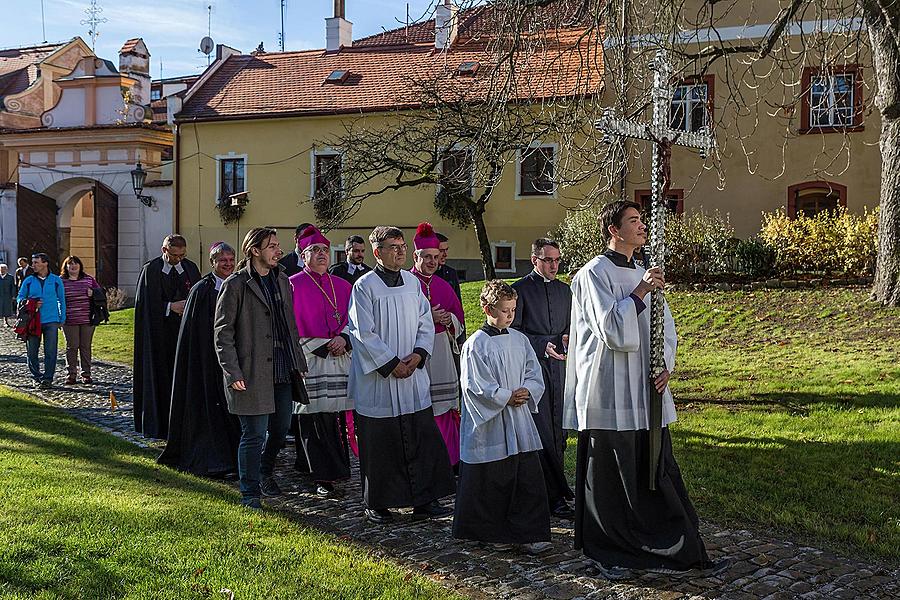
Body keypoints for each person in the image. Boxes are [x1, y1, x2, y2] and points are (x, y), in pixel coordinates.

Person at [564, 200, 726, 580]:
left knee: (654, 466)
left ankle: (664, 543)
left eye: (642, 220)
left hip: (645, 387)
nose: (642, 226)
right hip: (609, 389)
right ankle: (608, 548)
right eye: (634, 221)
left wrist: (664, 365)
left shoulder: (644, 272)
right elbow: (612, 330)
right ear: (614, 231)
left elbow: (664, 325)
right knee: (611, 472)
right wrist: (639, 291)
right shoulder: (592, 274)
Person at [348, 225, 455, 524]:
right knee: (381, 444)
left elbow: (425, 322)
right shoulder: (365, 286)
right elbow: (361, 332)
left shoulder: (412, 283)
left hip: (412, 375)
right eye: (393, 246)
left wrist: (419, 355)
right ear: (377, 251)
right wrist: (391, 363)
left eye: (402, 246)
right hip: (380, 380)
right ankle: (378, 503)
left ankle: (424, 499)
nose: (399, 251)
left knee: (421, 437)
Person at [453, 280, 552, 555]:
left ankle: (530, 532)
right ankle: (493, 533)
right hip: (491, 423)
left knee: (526, 477)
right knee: (493, 479)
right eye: (505, 310)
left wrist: (527, 391)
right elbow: (475, 385)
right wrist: (504, 396)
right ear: (486, 307)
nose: (510, 315)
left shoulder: (520, 339)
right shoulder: (476, 344)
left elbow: (534, 372)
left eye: (513, 309)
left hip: (519, 420)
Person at [215, 227, 308, 509]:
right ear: (255, 251)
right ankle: (249, 493)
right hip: (251, 371)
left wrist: (298, 361)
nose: (278, 251)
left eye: (278, 245)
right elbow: (222, 333)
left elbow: (289, 324)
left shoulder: (281, 279)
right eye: (272, 246)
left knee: (280, 429)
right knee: (254, 434)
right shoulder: (236, 284)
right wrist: (233, 372)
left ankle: (265, 471)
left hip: (281, 368)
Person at [158, 242, 242, 477]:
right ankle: (215, 461)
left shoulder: (238, 285)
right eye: (222, 260)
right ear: (213, 262)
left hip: (233, 360)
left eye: (230, 259)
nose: (227, 264)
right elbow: (195, 332)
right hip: (207, 362)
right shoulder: (202, 290)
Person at [510, 238, 575, 519]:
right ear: (534, 260)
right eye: (548, 260)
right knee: (541, 432)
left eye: (557, 260)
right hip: (533, 369)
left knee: (560, 432)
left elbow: (574, 326)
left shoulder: (565, 291)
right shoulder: (520, 290)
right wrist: (542, 344)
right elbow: (513, 332)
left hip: (561, 370)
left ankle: (558, 491)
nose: (554, 265)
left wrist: (569, 338)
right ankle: (548, 496)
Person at [289, 225, 354, 497]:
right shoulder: (292, 284)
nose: (321, 255)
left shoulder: (343, 285)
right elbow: (289, 326)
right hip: (310, 361)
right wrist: (322, 344)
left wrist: (345, 338)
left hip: (339, 360)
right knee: (312, 418)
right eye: (314, 250)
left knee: (336, 417)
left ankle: (336, 467)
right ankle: (321, 475)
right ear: (303, 256)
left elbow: (356, 321)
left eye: (325, 250)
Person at [133, 235, 202, 439]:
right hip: (158, 336)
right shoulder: (151, 270)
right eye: (174, 255)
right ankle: (159, 424)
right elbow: (145, 305)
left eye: (182, 255)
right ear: (165, 250)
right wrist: (170, 307)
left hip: (183, 333)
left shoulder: (190, 268)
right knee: (160, 378)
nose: (178, 259)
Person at [411, 222, 465, 468]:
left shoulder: (444, 285)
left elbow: (460, 320)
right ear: (416, 256)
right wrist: (428, 318)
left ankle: (450, 459)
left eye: (436, 256)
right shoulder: (405, 284)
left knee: (444, 409)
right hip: (414, 352)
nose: (433, 262)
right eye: (427, 257)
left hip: (441, 349)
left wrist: (449, 320)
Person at [17, 253, 65, 388]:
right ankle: (36, 376)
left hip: (51, 320)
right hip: (32, 321)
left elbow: (61, 299)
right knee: (32, 351)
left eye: (36, 262)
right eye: (33, 263)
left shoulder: (56, 280)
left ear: (45, 263)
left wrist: (62, 318)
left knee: (50, 351)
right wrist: (30, 303)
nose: (33, 265)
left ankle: (48, 378)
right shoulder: (29, 281)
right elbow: (20, 298)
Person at [60, 256, 102, 384]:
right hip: (69, 319)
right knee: (72, 347)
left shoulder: (88, 279)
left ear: (80, 266)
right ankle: (71, 374)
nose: (73, 266)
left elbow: (101, 292)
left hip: (87, 319)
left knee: (85, 347)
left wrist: (93, 293)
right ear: (66, 267)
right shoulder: (61, 281)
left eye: (76, 264)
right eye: (70, 264)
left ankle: (86, 374)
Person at [435, 232, 462, 301]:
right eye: (441, 251)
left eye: (446, 250)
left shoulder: (451, 273)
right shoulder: (421, 275)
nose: (445, 254)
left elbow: (457, 302)